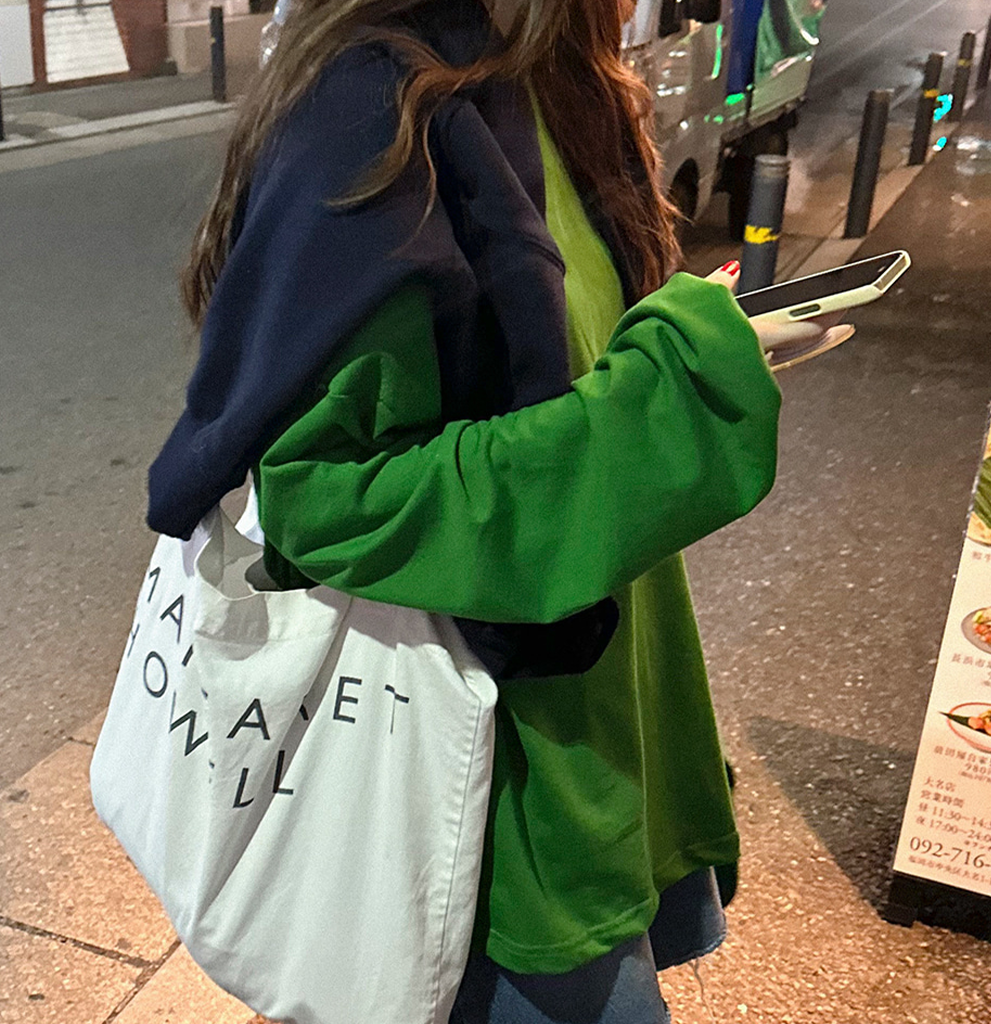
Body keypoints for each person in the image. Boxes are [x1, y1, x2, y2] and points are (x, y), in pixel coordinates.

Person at [147, 1, 849, 1020]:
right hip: (483, 793)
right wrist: (671, 392)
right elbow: (322, 496)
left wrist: (680, 351)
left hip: (608, 714)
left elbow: (569, 390)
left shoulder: (562, 82)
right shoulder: (378, 107)